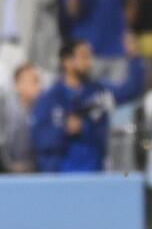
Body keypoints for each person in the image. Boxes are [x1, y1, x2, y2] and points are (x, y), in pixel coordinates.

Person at [31, 40, 145, 172]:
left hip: (94, 173)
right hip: (61, 176)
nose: (89, 62)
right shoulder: (49, 99)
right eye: (84, 57)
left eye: (89, 57)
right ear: (67, 61)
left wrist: (135, 59)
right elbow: (39, 139)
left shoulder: (98, 92)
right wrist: (63, 129)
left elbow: (130, 90)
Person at [0, 63, 41, 172]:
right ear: (17, 84)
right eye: (32, 81)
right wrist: (9, 165)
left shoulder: (41, 109)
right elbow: (4, 141)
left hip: (34, 170)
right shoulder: (5, 109)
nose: (37, 85)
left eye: (37, 81)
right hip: (7, 171)